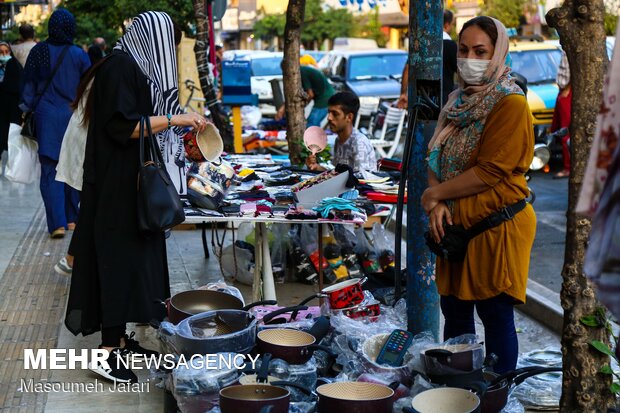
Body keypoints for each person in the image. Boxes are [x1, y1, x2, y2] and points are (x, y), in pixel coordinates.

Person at [64, 11, 208, 384]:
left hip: (129, 186)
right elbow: (121, 126)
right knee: (115, 263)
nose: (170, 54)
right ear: (153, 38)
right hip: (115, 189)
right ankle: (107, 352)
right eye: (169, 45)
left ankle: (121, 339)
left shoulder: (131, 66)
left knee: (133, 263)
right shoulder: (119, 68)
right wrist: (175, 121)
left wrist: (181, 123)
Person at [421, 16, 536, 374]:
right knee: (454, 311)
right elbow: (436, 154)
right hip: (455, 227)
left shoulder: (510, 103)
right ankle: (461, 390)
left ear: (498, 52)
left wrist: (435, 194)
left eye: (481, 51)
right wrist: (438, 200)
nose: (470, 58)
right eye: (465, 50)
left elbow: (491, 170)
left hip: (495, 226)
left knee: (494, 313)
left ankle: (497, 395)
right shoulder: (457, 101)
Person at [20, 9, 91, 239]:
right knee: (73, 167)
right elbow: (88, 89)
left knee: (51, 170)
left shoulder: (39, 51)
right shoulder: (79, 55)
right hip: (73, 118)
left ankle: (57, 224)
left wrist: (26, 109)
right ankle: (72, 219)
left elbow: (29, 86)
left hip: (46, 117)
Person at [397, 10, 458, 109]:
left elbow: (408, 69)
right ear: (447, 25)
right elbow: (462, 72)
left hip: (420, 103)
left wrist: (403, 93)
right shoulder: (451, 46)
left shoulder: (422, 43)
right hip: (444, 103)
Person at [306, 91, 377, 172]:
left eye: (335, 114)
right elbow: (337, 173)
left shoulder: (359, 142)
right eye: (329, 112)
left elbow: (362, 179)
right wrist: (316, 167)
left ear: (349, 117)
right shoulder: (338, 141)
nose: (329, 118)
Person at [0, 42, 24, 175]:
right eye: (1, 52)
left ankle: (13, 165)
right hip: (2, 108)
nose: (4, 55)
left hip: (13, 108)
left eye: (6, 52)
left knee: (12, 136)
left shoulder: (15, 66)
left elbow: (19, 86)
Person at [551, 50, 571, 179]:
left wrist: (566, 89)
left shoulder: (570, 48)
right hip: (565, 90)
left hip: (568, 91)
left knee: (566, 132)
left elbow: (568, 75)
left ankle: (568, 167)